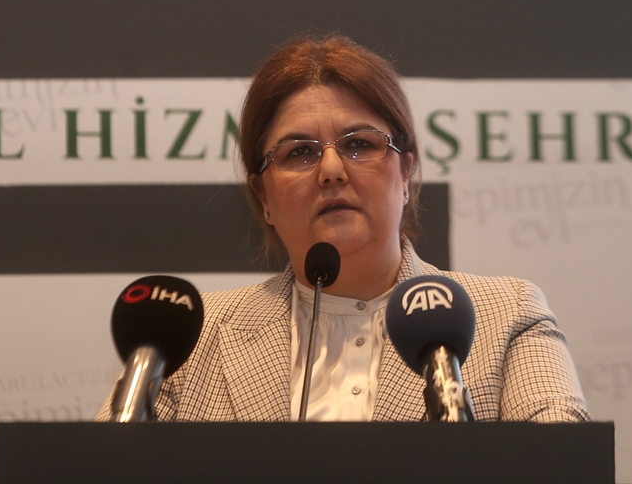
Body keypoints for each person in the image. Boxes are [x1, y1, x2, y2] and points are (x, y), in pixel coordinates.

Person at [98, 34, 589, 422]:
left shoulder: (507, 316)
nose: (331, 170)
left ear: (406, 173)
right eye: (300, 153)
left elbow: (563, 467)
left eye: (359, 145)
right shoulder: (187, 338)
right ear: (263, 196)